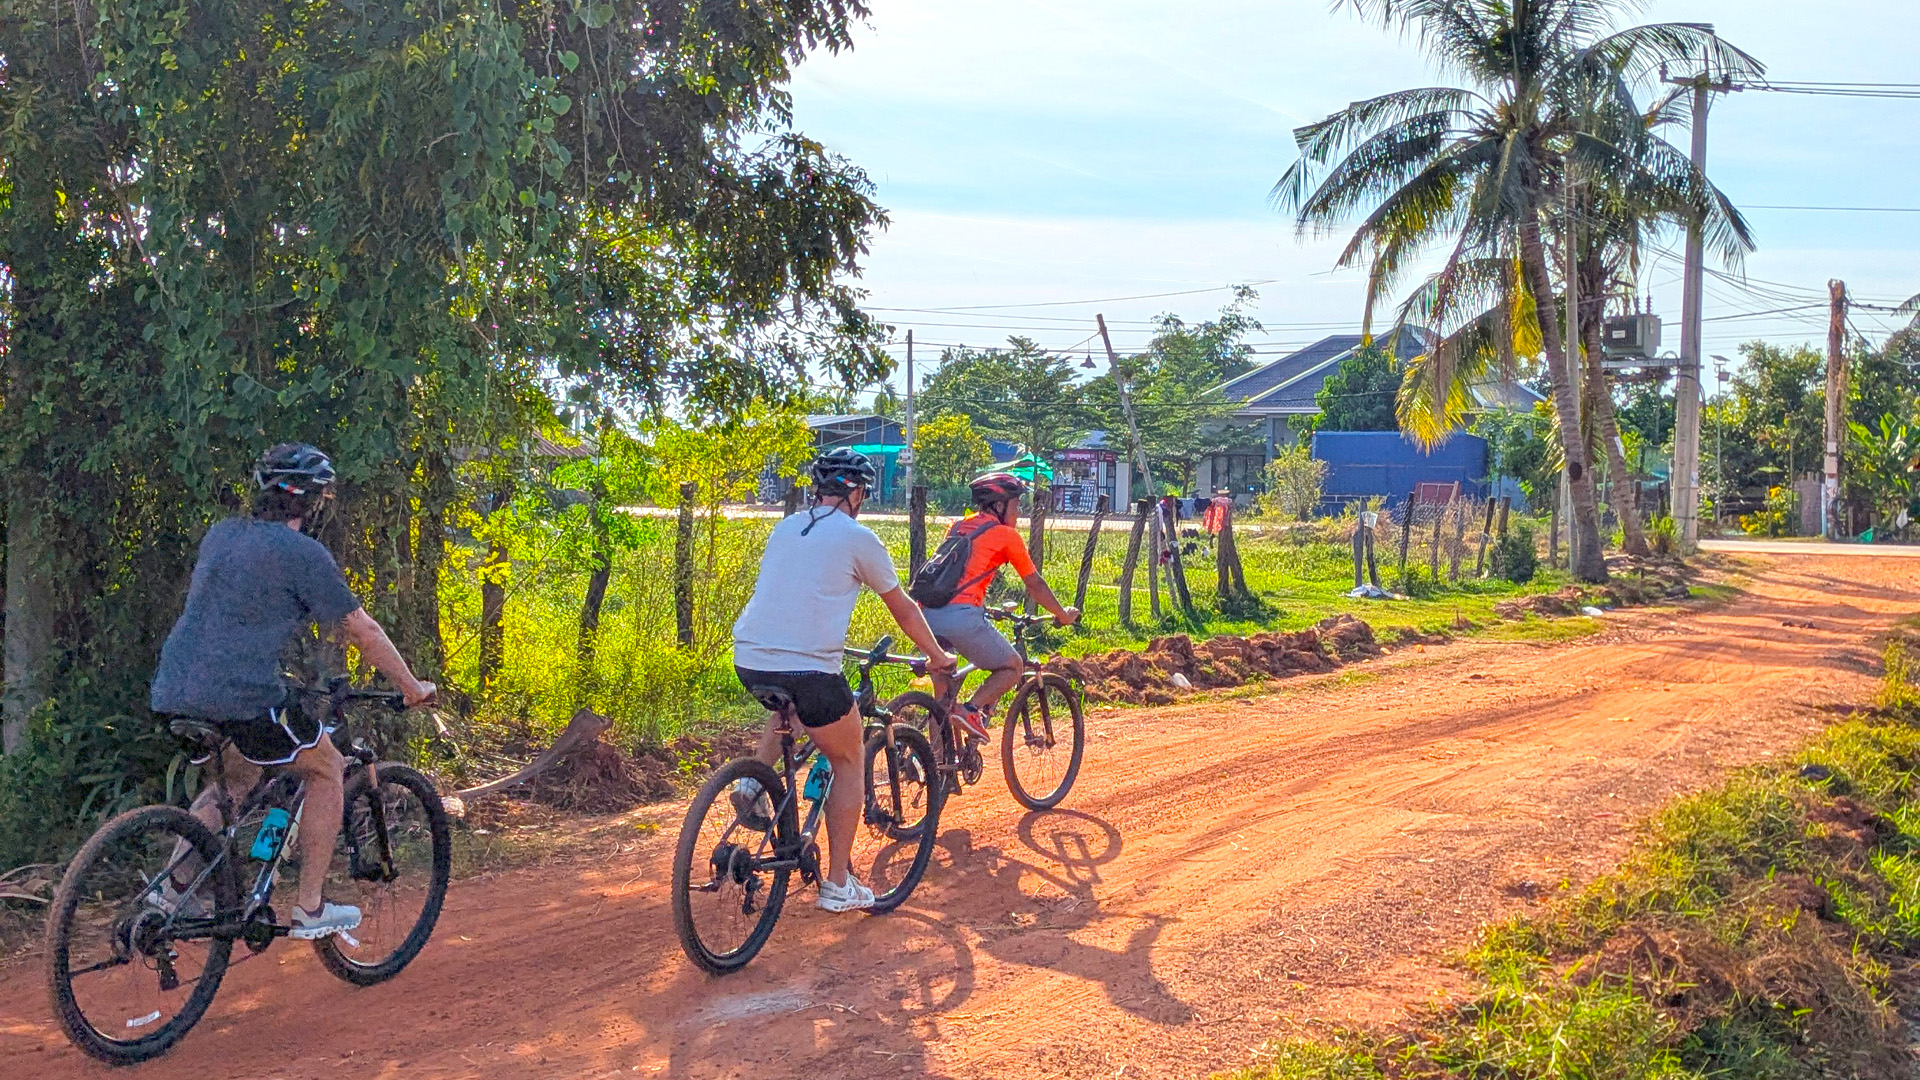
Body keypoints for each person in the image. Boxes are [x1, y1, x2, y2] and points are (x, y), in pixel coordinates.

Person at [150, 444, 436, 940]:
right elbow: (361, 630)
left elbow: (239, 613)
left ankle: (166, 895)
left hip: (175, 686)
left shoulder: (222, 536)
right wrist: (411, 687)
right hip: (240, 694)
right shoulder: (304, 554)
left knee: (233, 784)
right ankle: (309, 907)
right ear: (312, 503)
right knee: (326, 768)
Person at [730, 448, 956, 913]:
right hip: (811, 668)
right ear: (855, 492)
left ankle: (753, 785)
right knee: (850, 757)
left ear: (819, 489)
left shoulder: (785, 526)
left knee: (787, 706)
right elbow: (904, 609)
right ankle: (837, 885)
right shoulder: (859, 538)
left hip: (749, 658)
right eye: (864, 493)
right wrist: (936, 655)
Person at [921, 472, 1079, 742]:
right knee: (1012, 666)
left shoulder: (958, 525)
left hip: (924, 617)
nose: (1019, 513)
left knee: (942, 700)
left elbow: (958, 573)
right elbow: (1035, 585)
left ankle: (936, 768)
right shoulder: (1006, 536)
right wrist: (1061, 614)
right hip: (961, 619)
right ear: (999, 505)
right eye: (1016, 505)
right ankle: (972, 710)